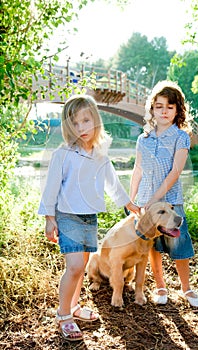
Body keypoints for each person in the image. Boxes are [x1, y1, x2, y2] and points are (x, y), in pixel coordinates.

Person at [38, 94, 139, 341]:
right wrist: (49, 218)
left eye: (86, 120)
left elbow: (112, 182)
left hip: (89, 218)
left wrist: (128, 203)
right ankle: (64, 315)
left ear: (96, 120)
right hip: (68, 216)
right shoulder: (63, 154)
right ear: (67, 126)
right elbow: (51, 186)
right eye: (75, 123)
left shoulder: (100, 154)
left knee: (81, 267)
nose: (81, 128)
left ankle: (73, 306)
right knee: (73, 267)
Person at [130, 81, 198, 308]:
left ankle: (186, 289)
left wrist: (156, 199)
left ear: (178, 110)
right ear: (152, 109)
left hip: (170, 202)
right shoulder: (143, 139)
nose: (164, 111)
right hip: (145, 202)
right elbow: (138, 169)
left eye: (170, 107)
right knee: (153, 245)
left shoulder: (180, 137)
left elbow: (175, 172)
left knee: (178, 243)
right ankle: (160, 286)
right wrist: (132, 199)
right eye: (159, 106)